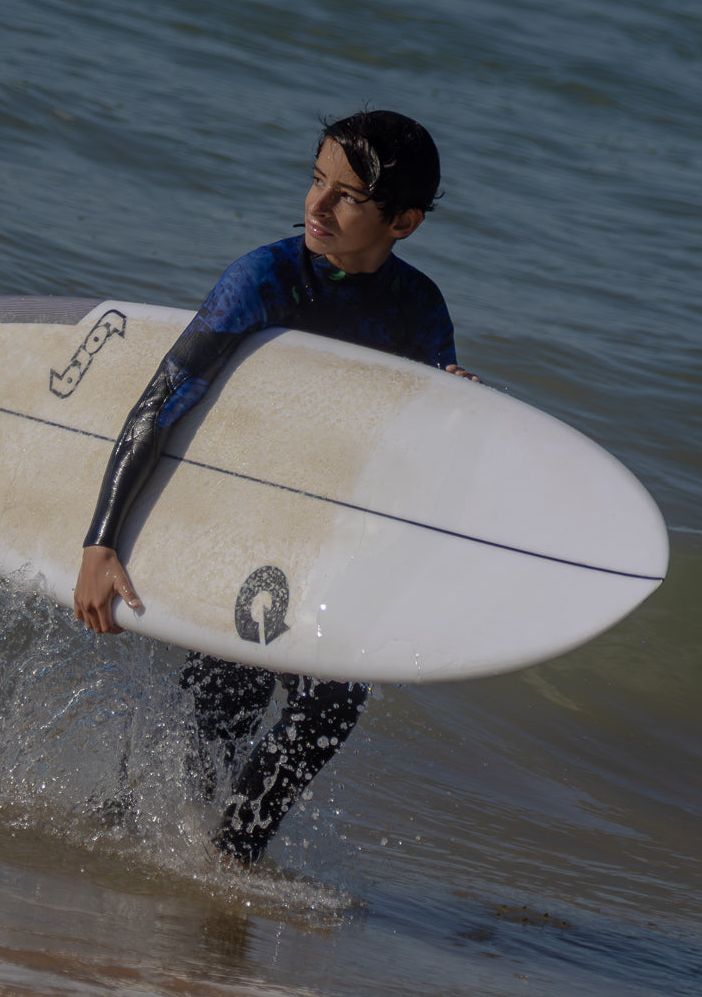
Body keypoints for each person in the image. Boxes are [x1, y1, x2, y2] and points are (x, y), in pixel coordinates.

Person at [73, 110, 479, 866]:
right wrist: (102, 541)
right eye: (316, 181)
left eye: (347, 196)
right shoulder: (264, 278)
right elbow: (159, 406)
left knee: (333, 699)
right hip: (238, 522)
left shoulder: (418, 309)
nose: (317, 207)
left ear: (406, 222)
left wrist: (449, 409)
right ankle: (135, 851)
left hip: (322, 539)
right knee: (219, 712)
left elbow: (412, 461)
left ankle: (229, 862)